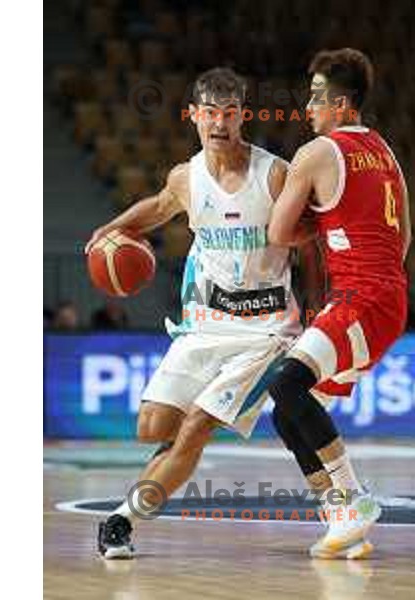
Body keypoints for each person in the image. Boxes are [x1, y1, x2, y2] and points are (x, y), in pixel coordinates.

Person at [85, 67, 317, 559]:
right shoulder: (186, 177)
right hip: (205, 326)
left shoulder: (273, 174)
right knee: (154, 427)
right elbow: (159, 206)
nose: (219, 123)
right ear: (193, 116)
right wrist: (113, 227)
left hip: (265, 333)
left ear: (242, 116)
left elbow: (311, 240)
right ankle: (170, 464)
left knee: (195, 429)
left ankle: (121, 522)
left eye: (229, 113)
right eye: (210, 113)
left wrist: (317, 306)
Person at [266, 48, 412, 559]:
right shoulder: (385, 151)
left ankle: (352, 499)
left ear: (342, 103)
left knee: (286, 384)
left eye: (316, 97)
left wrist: (320, 227)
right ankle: (341, 521)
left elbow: (278, 231)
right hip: (389, 298)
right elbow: (405, 237)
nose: (308, 107)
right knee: (286, 409)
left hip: (359, 298)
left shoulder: (317, 152)